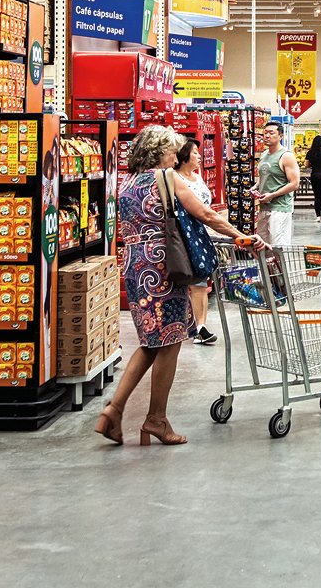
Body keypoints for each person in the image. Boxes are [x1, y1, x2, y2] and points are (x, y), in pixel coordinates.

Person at [97, 125, 262, 446]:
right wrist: (239, 235)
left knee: (150, 342)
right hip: (164, 267)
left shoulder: (127, 183)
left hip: (134, 264)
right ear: (160, 151)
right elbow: (204, 214)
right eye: (172, 150)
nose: (177, 155)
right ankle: (156, 419)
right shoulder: (168, 179)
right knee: (170, 341)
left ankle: (113, 410)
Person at [174, 138, 217, 346]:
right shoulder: (174, 179)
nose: (199, 157)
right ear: (183, 156)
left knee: (201, 281)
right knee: (191, 283)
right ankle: (192, 326)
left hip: (200, 234)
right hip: (184, 236)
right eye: (195, 153)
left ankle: (200, 326)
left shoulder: (197, 177)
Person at [253, 121, 299, 245]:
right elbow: (264, 176)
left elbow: (294, 184)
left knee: (278, 246)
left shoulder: (286, 156)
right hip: (264, 207)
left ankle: (280, 265)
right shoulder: (263, 155)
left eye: (271, 133)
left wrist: (272, 195)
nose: (267, 136)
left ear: (280, 136)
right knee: (262, 245)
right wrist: (256, 186)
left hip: (280, 208)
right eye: (265, 133)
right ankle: (267, 266)